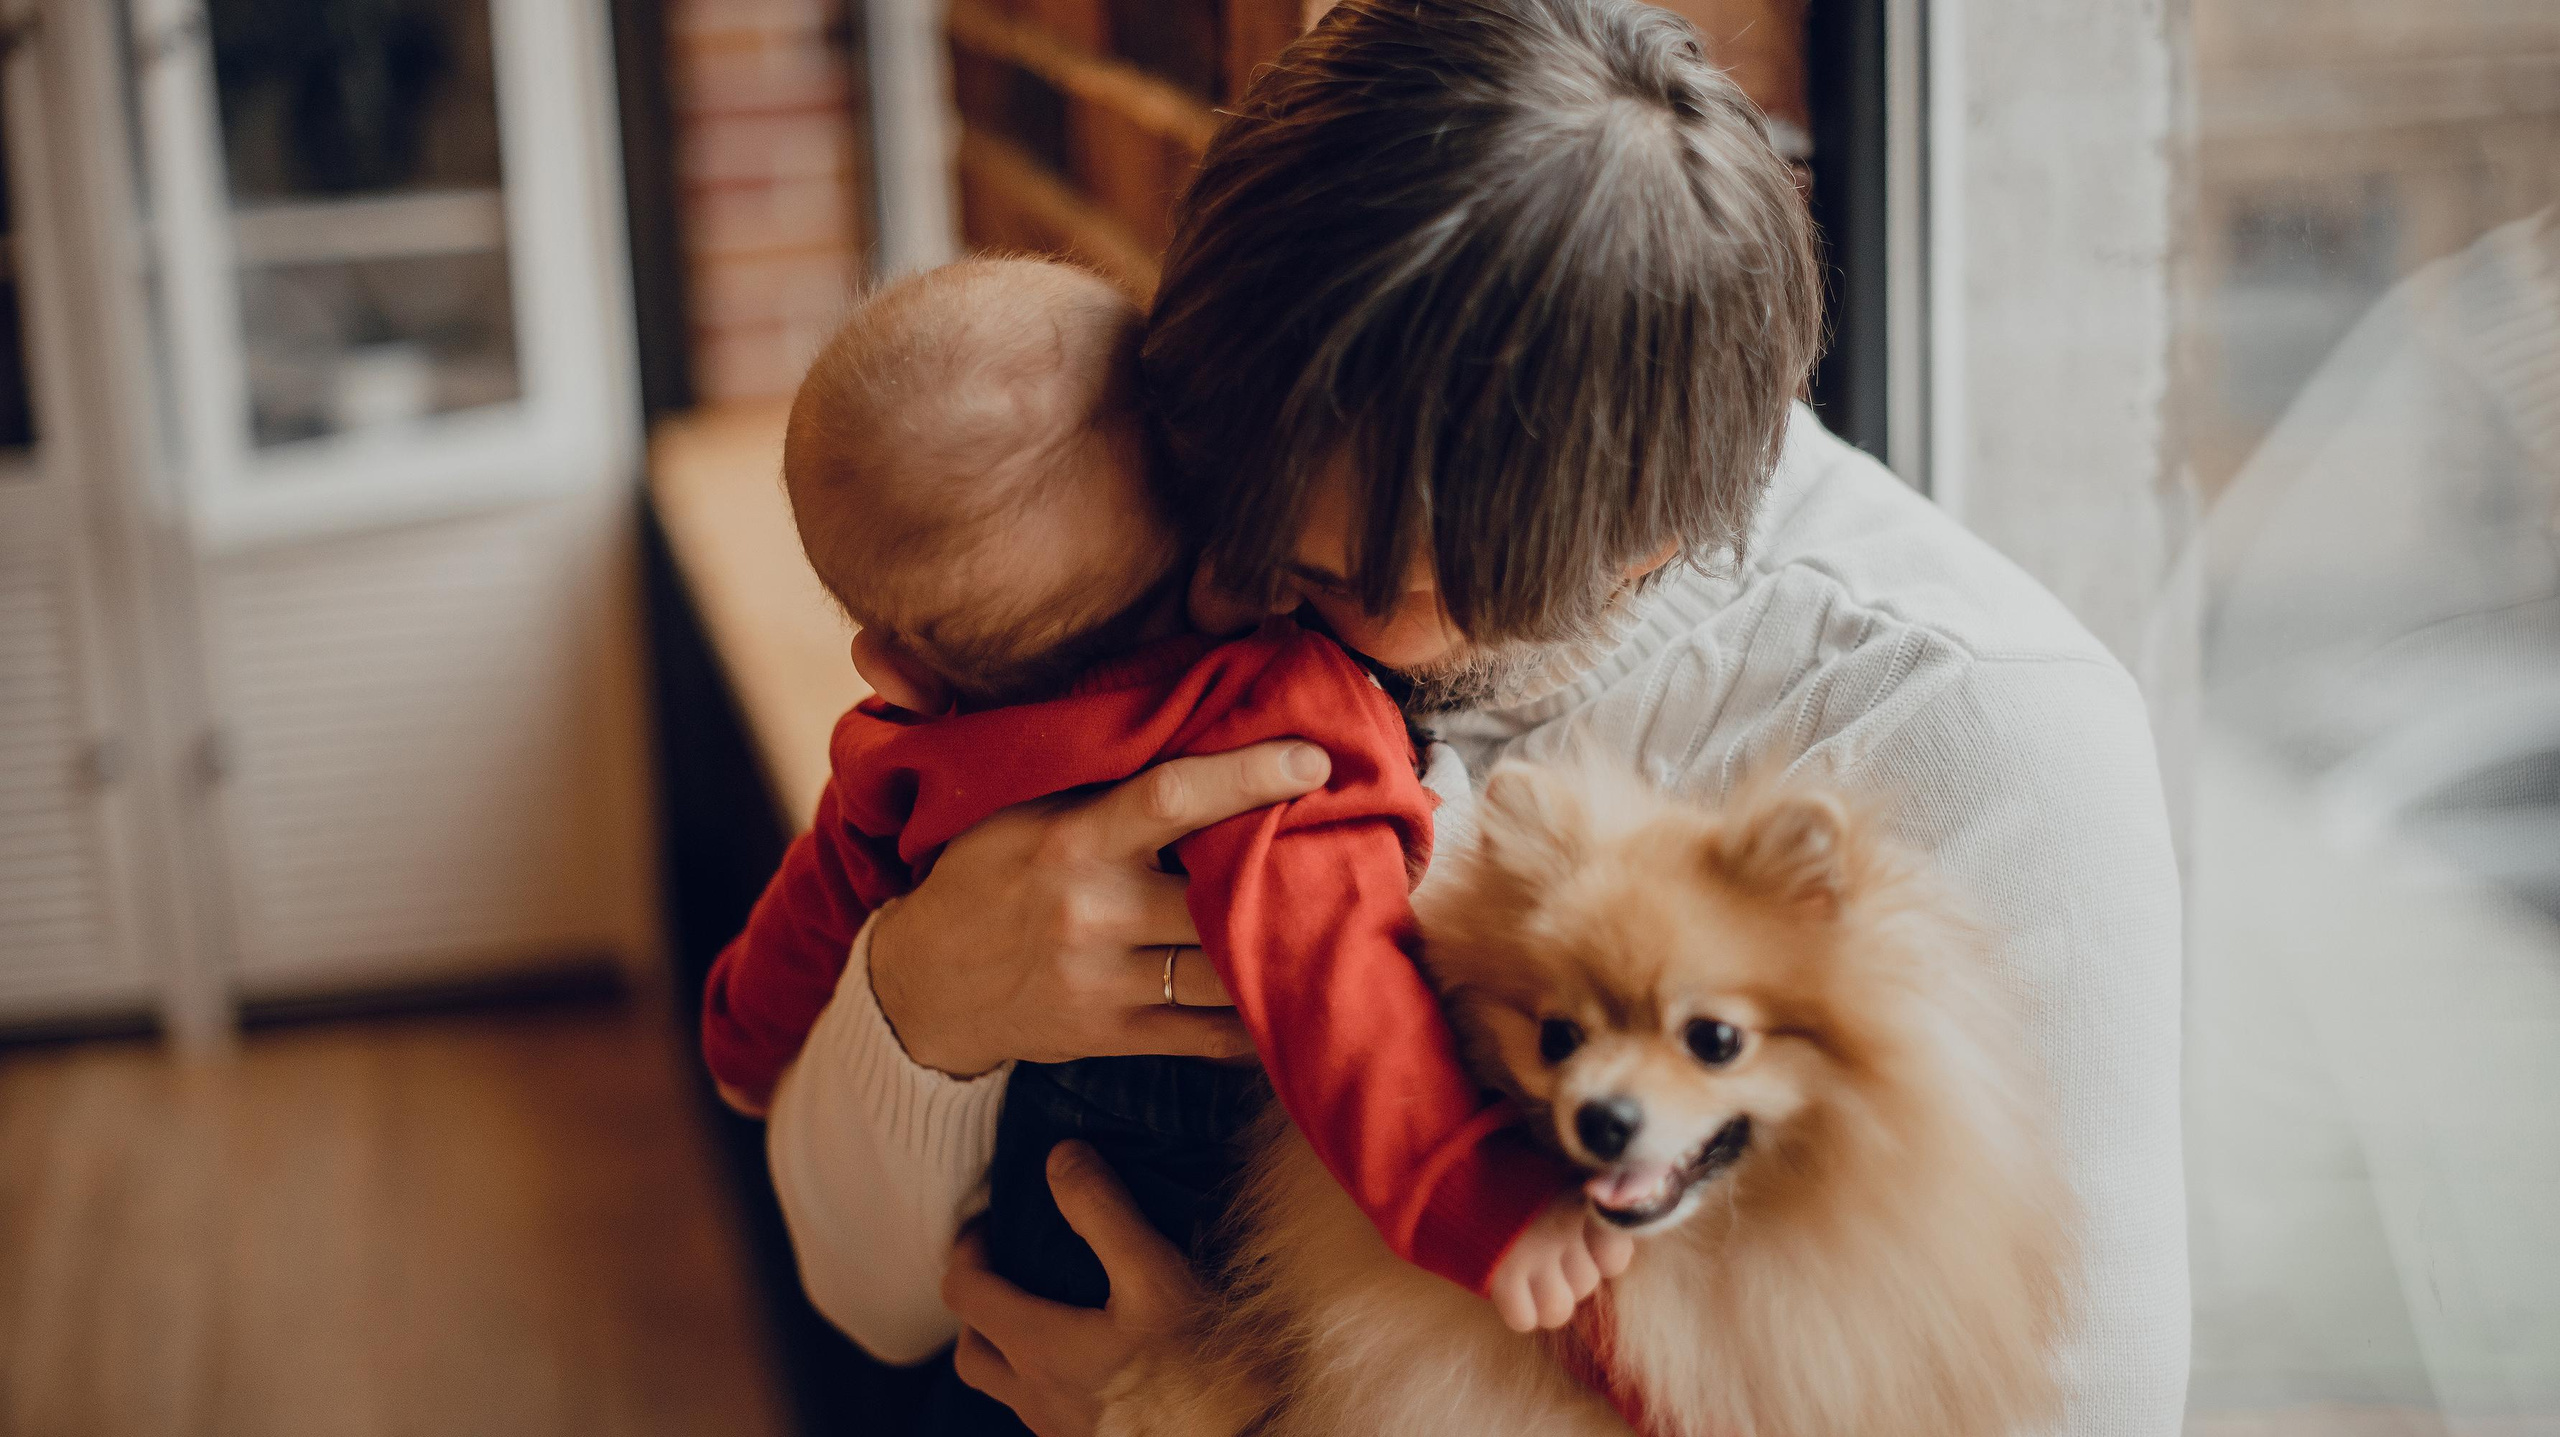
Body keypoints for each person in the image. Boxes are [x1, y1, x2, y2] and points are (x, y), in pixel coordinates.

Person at [764, 2, 2191, 1435]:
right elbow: (863, 1296)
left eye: (1329, 577)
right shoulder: (1178, 557)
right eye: (1216, 507)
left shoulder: (1978, 732)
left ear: (1633, 541)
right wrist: (923, 996)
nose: (1232, 599)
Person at [704, 255, 1620, 1404]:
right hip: (1216, 1241)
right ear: (1236, 562)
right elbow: (1340, 988)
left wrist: (745, 1039)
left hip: (1033, 1252)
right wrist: (1471, 1198)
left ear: (897, 668)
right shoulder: (1271, 720)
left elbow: (810, 909)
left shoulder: (902, 756)